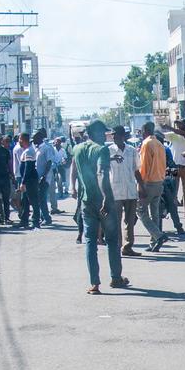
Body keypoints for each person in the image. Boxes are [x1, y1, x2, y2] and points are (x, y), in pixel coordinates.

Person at [72, 120, 128, 293]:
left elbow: (77, 168)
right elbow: (101, 173)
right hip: (103, 201)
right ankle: (116, 278)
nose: (105, 136)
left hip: (86, 201)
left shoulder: (77, 149)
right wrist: (106, 197)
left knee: (90, 241)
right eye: (102, 133)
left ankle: (94, 283)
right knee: (112, 239)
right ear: (94, 133)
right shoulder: (102, 149)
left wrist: (72, 187)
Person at [107, 125, 141, 256]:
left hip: (130, 190)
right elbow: (102, 167)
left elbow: (136, 170)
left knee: (130, 221)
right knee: (116, 221)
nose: (113, 137)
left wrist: (142, 186)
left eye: (115, 134)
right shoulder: (109, 151)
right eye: (112, 135)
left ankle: (127, 247)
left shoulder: (132, 151)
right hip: (115, 191)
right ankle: (117, 246)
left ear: (122, 136)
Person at [136, 121, 169, 252]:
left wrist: (140, 186)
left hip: (148, 182)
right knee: (154, 212)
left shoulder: (146, 143)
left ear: (144, 131)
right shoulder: (160, 144)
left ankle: (158, 236)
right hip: (159, 181)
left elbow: (144, 167)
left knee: (140, 211)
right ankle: (154, 242)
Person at [17, 145, 43, 229]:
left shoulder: (28, 151)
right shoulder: (27, 150)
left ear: (23, 140)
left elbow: (28, 167)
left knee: (33, 200)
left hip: (30, 180)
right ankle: (24, 220)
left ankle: (36, 221)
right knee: (25, 201)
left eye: (20, 139)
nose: (19, 142)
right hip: (28, 179)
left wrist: (23, 182)